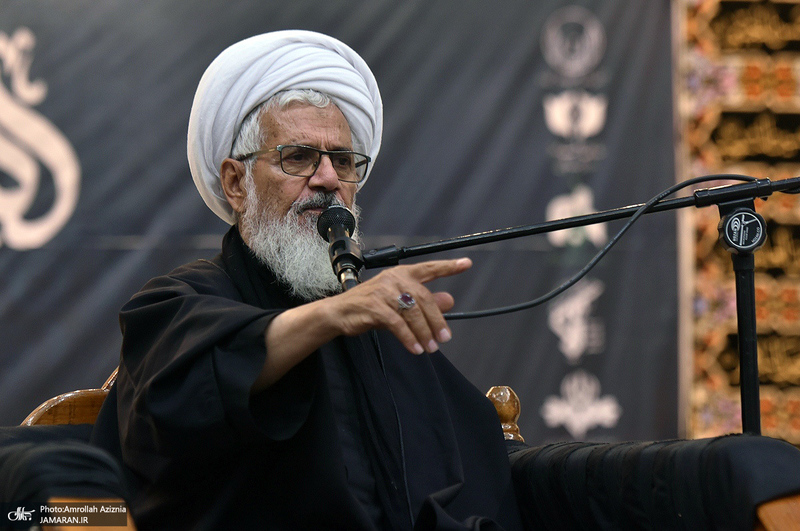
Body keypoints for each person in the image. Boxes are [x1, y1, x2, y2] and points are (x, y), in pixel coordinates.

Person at [93, 30, 523, 530]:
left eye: (343, 161)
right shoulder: (178, 302)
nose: (328, 180)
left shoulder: (375, 322)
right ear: (236, 183)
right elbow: (176, 408)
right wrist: (333, 314)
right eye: (298, 157)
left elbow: (483, 470)